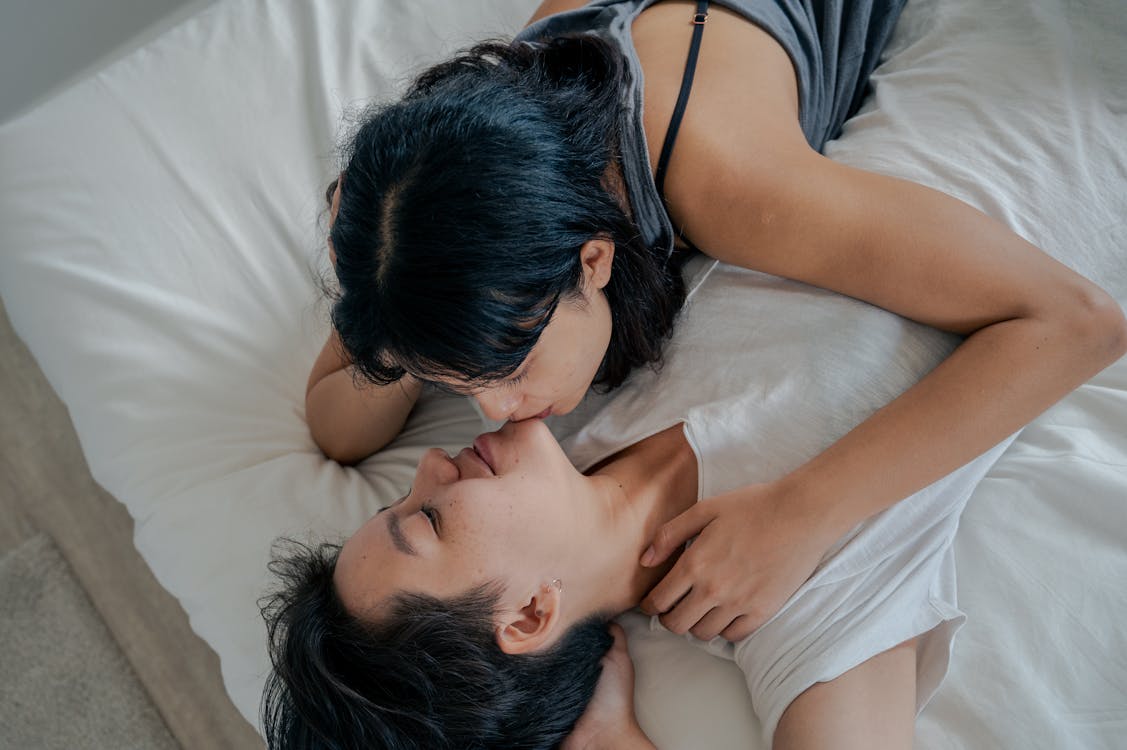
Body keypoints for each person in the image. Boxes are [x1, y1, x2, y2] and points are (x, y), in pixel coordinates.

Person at [305, 0, 1127, 653]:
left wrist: (801, 513)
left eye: (512, 365)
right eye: (464, 385)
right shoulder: (414, 188)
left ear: (594, 263)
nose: (493, 412)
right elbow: (333, 421)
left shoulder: (732, 187)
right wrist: (428, 320)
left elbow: (1073, 321)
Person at [266, 255, 1024, 749]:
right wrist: (609, 743)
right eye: (426, 519)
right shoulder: (796, 607)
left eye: (399, 498)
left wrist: (404, 280)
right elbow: (1064, 324)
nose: (429, 465)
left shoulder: (562, 378)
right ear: (530, 614)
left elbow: (334, 417)